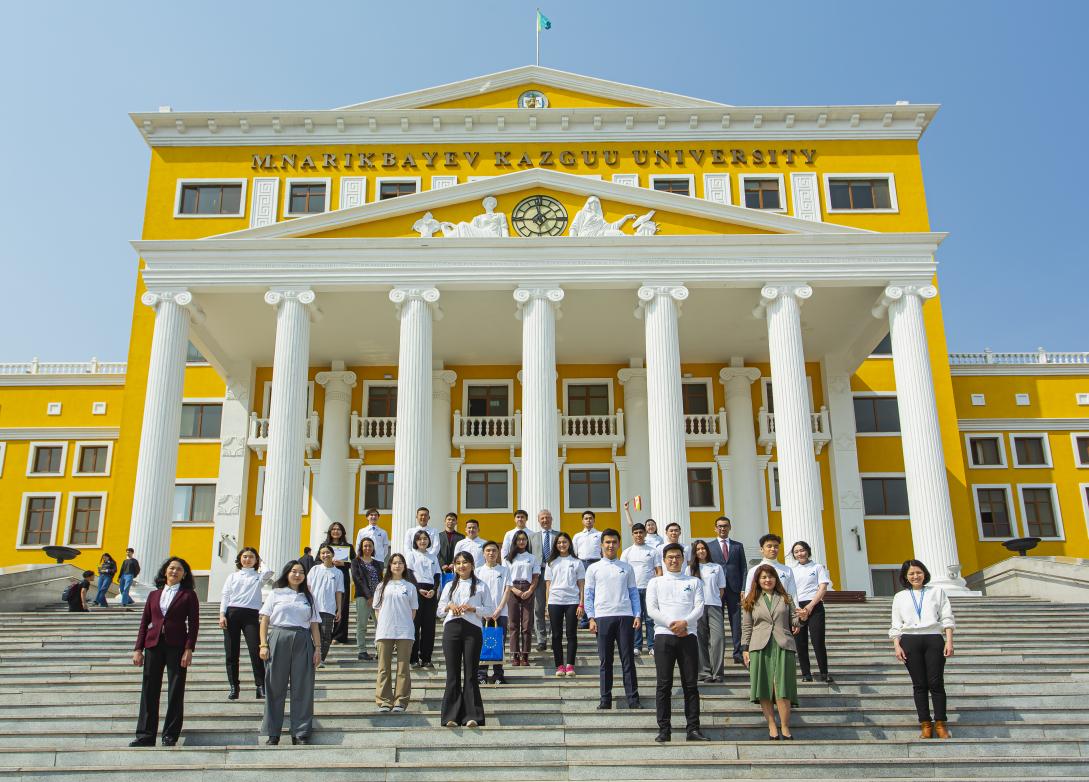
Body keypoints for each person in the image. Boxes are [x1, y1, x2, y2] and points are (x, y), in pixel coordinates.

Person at [130, 556, 199, 747]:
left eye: (179, 569)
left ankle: (170, 734)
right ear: (165, 571)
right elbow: (144, 622)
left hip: (176, 646)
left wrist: (189, 649)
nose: (174, 572)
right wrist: (138, 648)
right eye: (171, 568)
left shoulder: (188, 595)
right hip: (153, 645)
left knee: (175, 690)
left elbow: (193, 624)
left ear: (184, 574)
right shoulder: (154, 595)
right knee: (149, 690)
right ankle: (145, 734)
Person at [646, 543, 708, 743]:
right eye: (670, 557)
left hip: (688, 636)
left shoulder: (694, 582)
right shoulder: (655, 582)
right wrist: (671, 624)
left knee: (690, 685)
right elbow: (651, 609)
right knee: (664, 685)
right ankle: (664, 729)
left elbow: (699, 607)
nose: (674, 560)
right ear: (664, 560)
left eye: (678, 557)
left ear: (684, 559)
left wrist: (685, 623)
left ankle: (693, 729)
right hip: (663, 636)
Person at [890, 559, 956, 739]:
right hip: (910, 641)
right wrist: (897, 646)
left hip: (933, 638)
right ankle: (925, 724)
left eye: (918, 572)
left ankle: (941, 722)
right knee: (919, 685)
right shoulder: (900, 597)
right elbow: (896, 624)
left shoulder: (937, 592)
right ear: (905, 577)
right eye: (911, 574)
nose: (915, 576)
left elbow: (947, 618)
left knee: (936, 683)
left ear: (925, 573)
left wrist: (949, 641)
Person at [259, 560, 322, 744]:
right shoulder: (276, 593)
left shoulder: (308, 597)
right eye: (294, 571)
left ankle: (300, 732)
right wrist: (263, 645)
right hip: (279, 637)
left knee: (302, 688)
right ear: (287, 573)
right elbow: (264, 620)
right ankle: (273, 733)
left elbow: (314, 625)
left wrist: (317, 648)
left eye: (301, 572)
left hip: (303, 640)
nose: (297, 575)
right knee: (274, 687)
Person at [741, 564, 800, 740]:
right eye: (764, 577)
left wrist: (801, 619)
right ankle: (772, 725)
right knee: (765, 687)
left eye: (770, 577)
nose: (767, 580)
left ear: (776, 579)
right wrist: (745, 649)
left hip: (783, 645)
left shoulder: (786, 598)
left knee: (782, 687)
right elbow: (747, 626)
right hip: (759, 647)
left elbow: (794, 620)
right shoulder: (750, 600)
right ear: (758, 581)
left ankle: (785, 726)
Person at [438, 552, 496, 727]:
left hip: (472, 629)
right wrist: (450, 605)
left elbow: (489, 610)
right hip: (452, 628)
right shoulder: (449, 585)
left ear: (472, 565)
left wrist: (473, 608)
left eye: (465, 563)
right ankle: (451, 716)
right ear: (454, 566)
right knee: (452, 674)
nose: (461, 566)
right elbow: (439, 610)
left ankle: (473, 716)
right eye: (458, 563)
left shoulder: (481, 585)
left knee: (471, 673)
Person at [585, 528, 641, 710]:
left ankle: (633, 699)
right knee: (605, 661)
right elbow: (588, 595)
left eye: (614, 542)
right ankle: (605, 699)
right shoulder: (593, 568)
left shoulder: (627, 567)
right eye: (607, 542)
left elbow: (633, 593)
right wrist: (591, 617)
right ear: (601, 545)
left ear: (618, 544)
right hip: (602, 617)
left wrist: (637, 614)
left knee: (628, 660)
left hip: (625, 617)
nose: (610, 545)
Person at [218, 546, 273, 700]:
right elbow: (225, 596)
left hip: (251, 615)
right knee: (231, 653)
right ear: (240, 559)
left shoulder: (258, 576)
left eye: (251, 557)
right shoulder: (232, 576)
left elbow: (269, 572)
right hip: (232, 614)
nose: (247, 559)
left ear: (256, 560)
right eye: (244, 556)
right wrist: (222, 614)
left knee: (256, 651)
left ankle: (260, 686)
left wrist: (261, 560)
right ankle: (234, 686)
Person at [373, 553, 418, 713]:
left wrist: (405, 623)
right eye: (394, 563)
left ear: (404, 566)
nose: (397, 566)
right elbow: (377, 609)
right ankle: (384, 701)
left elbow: (413, 611)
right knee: (384, 667)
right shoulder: (381, 586)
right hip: (385, 630)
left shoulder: (410, 586)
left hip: (405, 630)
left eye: (400, 563)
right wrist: (382, 625)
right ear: (389, 566)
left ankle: (400, 701)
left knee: (403, 667)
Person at [790, 540, 833, 683]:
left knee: (818, 640)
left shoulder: (818, 567)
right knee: (800, 642)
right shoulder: (791, 570)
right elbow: (790, 591)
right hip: (797, 607)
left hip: (815, 606)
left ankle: (824, 672)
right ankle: (806, 673)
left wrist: (809, 607)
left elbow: (822, 588)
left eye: (802, 550)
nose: (800, 553)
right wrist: (797, 609)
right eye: (796, 552)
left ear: (807, 551)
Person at [707, 516, 747, 664]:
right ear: (715, 528)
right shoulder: (709, 546)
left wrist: (743, 589)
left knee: (736, 622)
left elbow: (743, 568)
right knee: (717, 624)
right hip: (716, 590)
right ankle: (718, 655)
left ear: (730, 527)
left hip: (734, 589)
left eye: (725, 526)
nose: (722, 528)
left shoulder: (738, 546)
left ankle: (737, 653)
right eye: (719, 526)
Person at [544, 531, 584, 677]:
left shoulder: (576, 562)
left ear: (569, 544)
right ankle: (559, 665)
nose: (562, 545)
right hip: (555, 601)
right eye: (559, 542)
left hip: (572, 601)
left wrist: (581, 604)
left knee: (571, 634)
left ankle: (570, 665)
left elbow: (581, 584)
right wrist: (546, 605)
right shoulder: (551, 562)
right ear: (556, 545)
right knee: (556, 635)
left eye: (565, 542)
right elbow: (548, 586)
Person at [691, 540, 726, 683]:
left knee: (718, 639)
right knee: (700, 640)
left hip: (714, 606)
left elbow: (721, 589)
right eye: (698, 549)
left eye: (703, 548)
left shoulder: (716, 567)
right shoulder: (690, 569)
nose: (701, 551)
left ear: (707, 550)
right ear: (695, 552)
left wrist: (714, 600)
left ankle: (717, 673)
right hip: (697, 608)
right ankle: (704, 672)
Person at [477, 541, 512, 684]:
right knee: (481, 643)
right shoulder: (477, 571)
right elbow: (475, 593)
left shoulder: (504, 571)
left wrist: (499, 609)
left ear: (498, 553)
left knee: (499, 643)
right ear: (483, 553)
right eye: (488, 551)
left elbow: (507, 590)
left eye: (494, 551)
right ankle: (481, 674)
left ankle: (498, 674)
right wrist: (483, 610)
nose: (491, 553)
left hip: (500, 613)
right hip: (481, 614)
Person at [621, 522, 658, 656]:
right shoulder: (627, 552)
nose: (638, 535)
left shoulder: (652, 551)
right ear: (632, 535)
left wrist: (657, 587)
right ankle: (637, 646)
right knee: (636, 618)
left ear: (645, 534)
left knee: (649, 618)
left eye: (641, 532)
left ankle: (652, 645)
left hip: (649, 589)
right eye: (636, 533)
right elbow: (622, 572)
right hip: (633, 590)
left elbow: (658, 570)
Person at [505, 529, 540, 666]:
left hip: (528, 588)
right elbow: (506, 578)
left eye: (524, 539)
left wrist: (530, 590)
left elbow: (536, 576)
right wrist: (514, 590)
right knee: (513, 624)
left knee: (526, 624)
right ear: (515, 541)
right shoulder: (508, 558)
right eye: (519, 539)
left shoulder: (532, 557)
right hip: (512, 589)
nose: (521, 542)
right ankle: (515, 654)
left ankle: (525, 655)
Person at [406, 529, 441, 669]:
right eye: (419, 539)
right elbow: (408, 573)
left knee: (429, 627)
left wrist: (434, 589)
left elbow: (437, 575)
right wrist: (417, 589)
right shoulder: (411, 555)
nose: (422, 541)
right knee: (415, 625)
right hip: (416, 590)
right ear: (415, 541)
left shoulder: (433, 557)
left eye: (425, 539)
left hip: (431, 592)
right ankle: (413, 658)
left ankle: (426, 658)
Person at [306, 544, 344, 665]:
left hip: (329, 608)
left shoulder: (338, 573)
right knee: (311, 634)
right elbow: (308, 587)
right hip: (313, 607)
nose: (325, 555)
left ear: (332, 554)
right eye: (322, 553)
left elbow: (338, 592)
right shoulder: (315, 569)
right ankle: (310, 657)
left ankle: (321, 659)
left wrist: (339, 609)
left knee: (326, 635)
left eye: (327, 552)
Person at [350, 538, 384, 660]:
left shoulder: (377, 563)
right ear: (361, 547)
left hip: (378, 598)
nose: (367, 548)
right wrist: (369, 596)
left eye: (370, 546)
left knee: (380, 625)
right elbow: (357, 579)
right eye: (365, 546)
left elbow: (381, 581)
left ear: (373, 548)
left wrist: (379, 596)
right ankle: (362, 650)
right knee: (362, 624)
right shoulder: (356, 562)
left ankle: (379, 650)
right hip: (363, 597)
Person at [322, 522, 355, 644]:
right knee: (326, 604)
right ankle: (324, 634)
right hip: (326, 579)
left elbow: (355, 563)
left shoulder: (348, 546)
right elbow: (316, 561)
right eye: (334, 529)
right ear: (330, 531)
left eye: (338, 529)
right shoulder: (324, 546)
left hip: (342, 578)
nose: (336, 531)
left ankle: (338, 636)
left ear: (343, 532)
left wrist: (344, 564)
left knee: (342, 606)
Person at [744, 534, 799, 604]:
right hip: (760, 610)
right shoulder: (753, 570)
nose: (773, 549)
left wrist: (796, 609)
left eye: (776, 546)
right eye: (769, 546)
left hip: (783, 610)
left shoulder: (787, 570)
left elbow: (793, 593)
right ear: (761, 549)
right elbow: (748, 592)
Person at [573, 511, 602, 628]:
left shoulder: (600, 534)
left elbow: (603, 551)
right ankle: (585, 620)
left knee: (597, 590)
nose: (588, 520)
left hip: (596, 562)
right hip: (582, 563)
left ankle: (597, 618)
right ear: (582, 521)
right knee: (584, 591)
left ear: (594, 520)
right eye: (586, 518)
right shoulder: (577, 536)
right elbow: (574, 553)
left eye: (590, 518)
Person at [533, 509, 557, 651]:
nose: (545, 520)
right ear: (538, 520)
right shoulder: (532, 537)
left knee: (555, 606)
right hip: (538, 574)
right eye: (542, 518)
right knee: (538, 608)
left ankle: (554, 636)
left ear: (551, 519)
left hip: (556, 574)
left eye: (547, 517)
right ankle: (541, 639)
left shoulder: (558, 535)